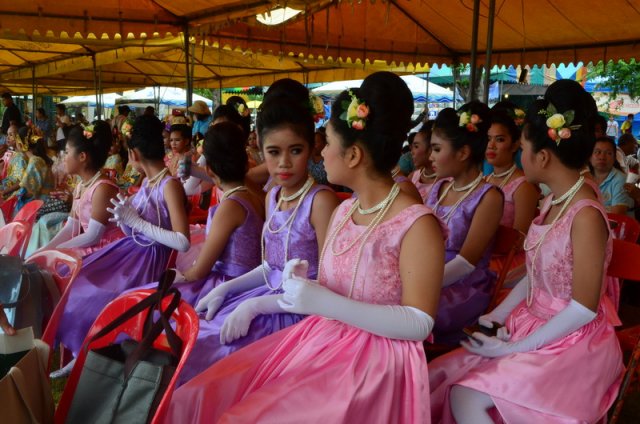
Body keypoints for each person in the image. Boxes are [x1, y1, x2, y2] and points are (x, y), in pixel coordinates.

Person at [165, 71, 446, 424]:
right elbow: (324, 287)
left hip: (376, 361)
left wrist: (322, 301)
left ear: (354, 155)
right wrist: (296, 289)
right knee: (205, 393)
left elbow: (419, 321)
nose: (322, 152)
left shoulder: (417, 223)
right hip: (325, 335)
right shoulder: (346, 210)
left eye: (326, 143)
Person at [429, 79, 624, 424]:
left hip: (573, 342)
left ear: (543, 156)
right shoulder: (552, 201)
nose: (521, 156)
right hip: (533, 324)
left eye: (522, 148)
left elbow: (583, 307)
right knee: (440, 376)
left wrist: (514, 348)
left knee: (467, 397)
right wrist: (499, 316)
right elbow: (536, 277)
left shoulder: (586, 215)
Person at [171, 78, 338, 384]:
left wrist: (256, 305)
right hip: (264, 297)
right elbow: (269, 266)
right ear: (260, 149)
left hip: (299, 314)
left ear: (312, 147)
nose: (284, 163)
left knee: (211, 354)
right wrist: (227, 290)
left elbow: (327, 281)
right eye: (273, 152)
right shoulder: (273, 195)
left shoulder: (321, 200)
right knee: (192, 333)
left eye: (296, 150)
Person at [52, 115, 190, 378]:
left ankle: (85, 351)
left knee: (93, 294)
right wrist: (125, 220)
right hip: (131, 252)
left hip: (148, 260)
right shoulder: (148, 183)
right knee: (76, 281)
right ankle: (81, 349)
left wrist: (135, 222)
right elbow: (134, 227)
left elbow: (182, 241)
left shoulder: (168, 184)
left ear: (133, 154)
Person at [425, 101, 504, 345]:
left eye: (437, 149)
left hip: (462, 286)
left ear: (463, 153)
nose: (431, 157)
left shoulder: (489, 196)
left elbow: (467, 263)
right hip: (428, 272)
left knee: (410, 311)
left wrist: (419, 281)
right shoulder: (438, 187)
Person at [34, 122, 123, 256]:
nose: (63, 157)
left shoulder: (103, 189)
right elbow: (71, 226)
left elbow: (93, 236)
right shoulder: (81, 185)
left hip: (107, 250)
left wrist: (57, 251)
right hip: (89, 246)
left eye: (67, 152)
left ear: (82, 156)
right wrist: (46, 249)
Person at [485, 109, 539, 286]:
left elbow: (519, 239)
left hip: (507, 262)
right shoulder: (484, 180)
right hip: (482, 256)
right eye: (488, 139)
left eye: (499, 139)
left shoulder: (523, 186)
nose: (491, 145)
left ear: (515, 145)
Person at [5, 126, 53, 214]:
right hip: (40, 200)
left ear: (20, 144)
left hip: (40, 203)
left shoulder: (35, 162)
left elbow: (27, 191)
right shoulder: (36, 160)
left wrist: (8, 195)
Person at [590, 136, 634, 215]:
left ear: (614, 158)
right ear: (590, 157)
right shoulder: (586, 177)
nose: (602, 157)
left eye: (608, 153)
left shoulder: (620, 179)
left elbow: (617, 215)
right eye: (597, 152)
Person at [408, 121, 441, 201]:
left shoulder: (448, 181)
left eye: (416, 146)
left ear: (431, 149)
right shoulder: (412, 177)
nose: (412, 152)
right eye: (412, 147)